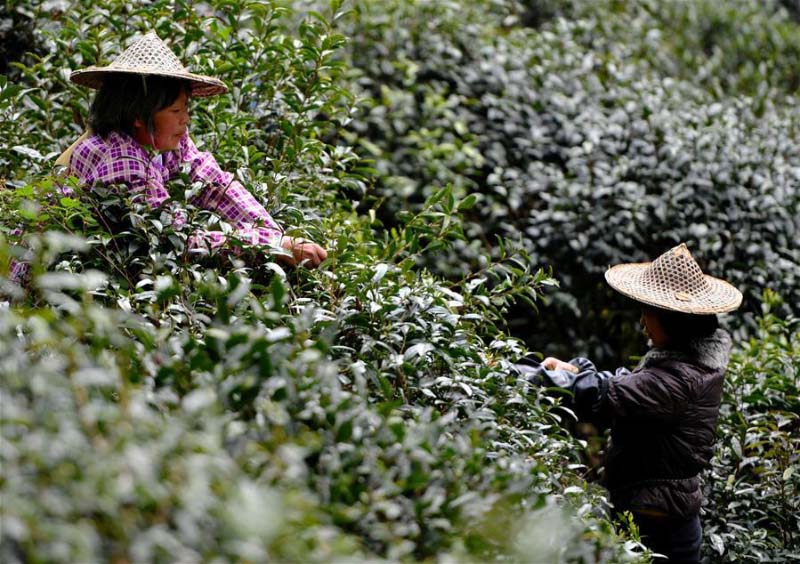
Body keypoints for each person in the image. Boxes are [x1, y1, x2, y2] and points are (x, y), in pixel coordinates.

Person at [517, 243, 742, 563]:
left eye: (647, 314)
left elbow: (605, 395)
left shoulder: (679, 380)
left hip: (659, 523)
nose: (642, 323)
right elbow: (628, 384)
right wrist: (575, 370)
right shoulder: (685, 363)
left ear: (671, 322)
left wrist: (526, 376)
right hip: (662, 512)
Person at [61, 31, 327, 268]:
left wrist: (276, 236)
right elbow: (174, 241)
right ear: (138, 116)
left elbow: (213, 184)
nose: (185, 119)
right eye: (176, 110)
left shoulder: (161, 138)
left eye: (185, 108)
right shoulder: (121, 163)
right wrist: (266, 245)